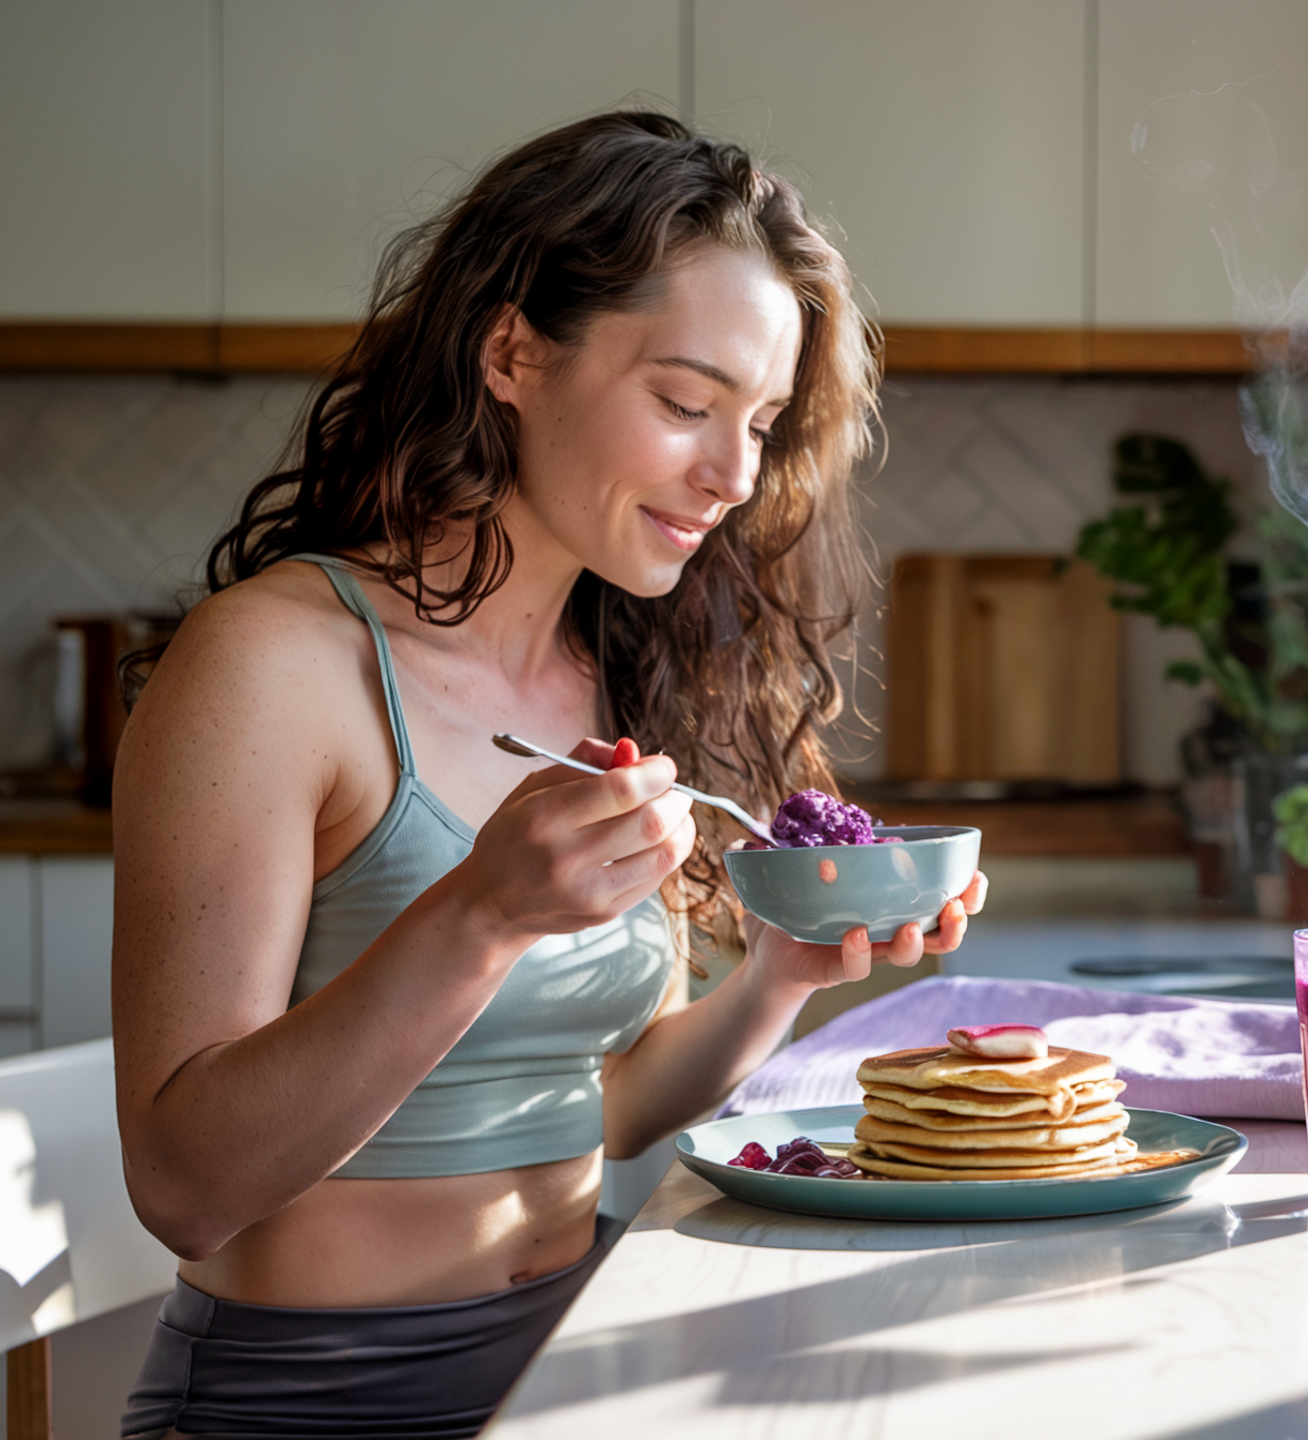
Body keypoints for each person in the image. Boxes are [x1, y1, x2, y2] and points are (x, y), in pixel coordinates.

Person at [111, 111, 985, 1439]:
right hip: (318, 1404)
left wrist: (781, 978)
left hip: (572, 1373)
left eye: (758, 423)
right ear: (513, 352)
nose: (732, 473)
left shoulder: (605, 675)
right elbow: (185, 1184)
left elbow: (609, 1105)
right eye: (685, 404)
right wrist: (482, 913)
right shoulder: (274, 667)